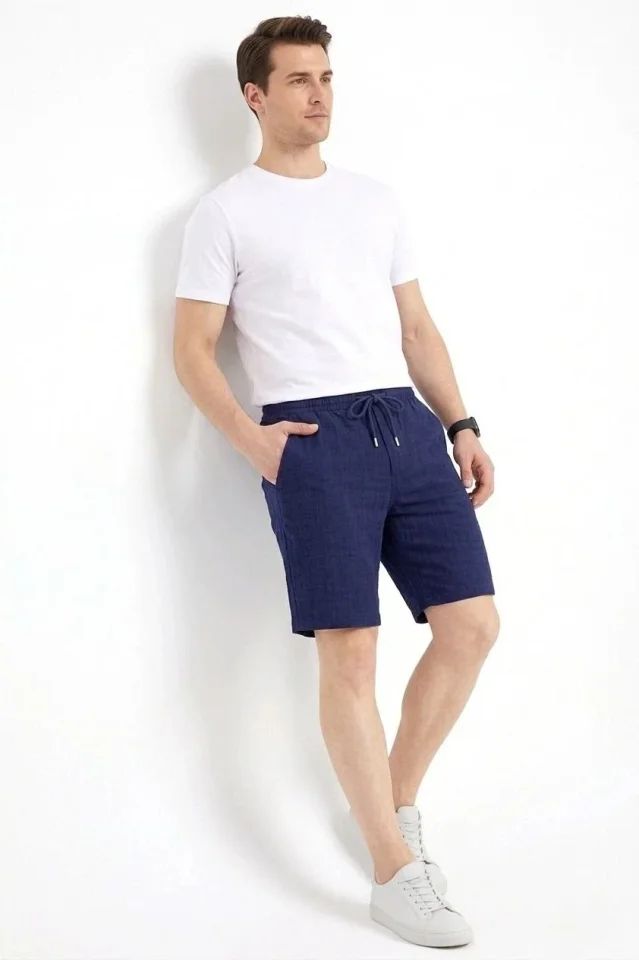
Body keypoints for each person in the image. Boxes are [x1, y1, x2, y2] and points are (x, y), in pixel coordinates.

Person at [173, 14, 500, 949]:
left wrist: (460, 423)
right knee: (350, 652)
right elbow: (192, 348)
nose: (318, 94)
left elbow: (416, 328)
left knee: (471, 626)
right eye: (298, 79)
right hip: (312, 438)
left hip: (404, 423)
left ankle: (392, 809)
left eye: (325, 77)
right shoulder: (225, 212)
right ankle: (394, 874)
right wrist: (254, 442)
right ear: (255, 96)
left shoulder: (374, 200)